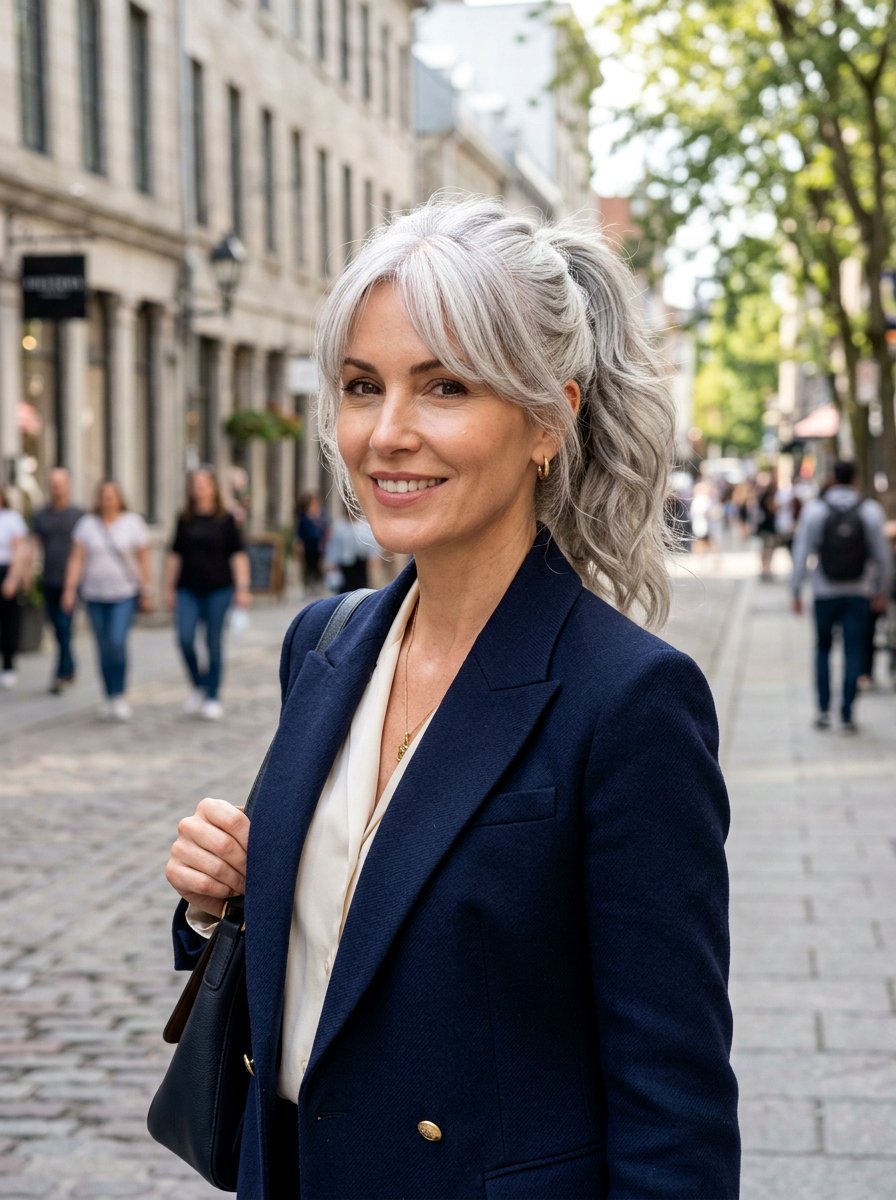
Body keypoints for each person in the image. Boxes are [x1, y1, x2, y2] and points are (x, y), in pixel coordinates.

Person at [164, 196, 740, 1198]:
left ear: (544, 421)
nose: (386, 433)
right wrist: (221, 900)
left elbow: (672, 1106)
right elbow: (335, 962)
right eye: (359, 386)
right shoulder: (324, 644)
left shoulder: (629, 700)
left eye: (443, 387)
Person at [791, 460, 892, 733]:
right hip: (859, 592)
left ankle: (823, 710)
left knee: (823, 649)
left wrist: (796, 589)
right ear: (856, 479)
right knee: (854, 651)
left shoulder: (816, 511)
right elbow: (882, 556)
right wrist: (882, 590)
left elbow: (802, 552)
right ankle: (847, 713)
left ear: (833, 479)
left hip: (824, 591)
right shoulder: (870, 511)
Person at [165, 466, 251, 721]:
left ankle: (212, 696)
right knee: (184, 638)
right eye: (195, 483)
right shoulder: (185, 518)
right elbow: (174, 555)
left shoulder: (225, 519)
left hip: (219, 589)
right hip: (187, 589)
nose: (199, 487)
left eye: (204, 483)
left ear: (213, 487)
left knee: (213, 643)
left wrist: (243, 589)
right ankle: (198, 684)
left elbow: (237, 555)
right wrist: (168, 588)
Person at [62, 480, 152, 721]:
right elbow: (76, 559)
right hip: (94, 595)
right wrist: (70, 589)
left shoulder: (132, 523)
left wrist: (146, 590)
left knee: (116, 642)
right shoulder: (87, 525)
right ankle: (109, 695)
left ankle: (120, 693)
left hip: (124, 593)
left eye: (112, 496)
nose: (108, 500)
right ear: (98, 499)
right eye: (104, 496)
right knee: (103, 648)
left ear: (120, 499)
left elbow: (143, 559)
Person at [31, 468, 84, 693]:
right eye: (52, 483)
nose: (56, 487)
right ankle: (70, 666)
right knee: (58, 628)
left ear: (68, 485)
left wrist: (73, 586)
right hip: (49, 580)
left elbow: (82, 551)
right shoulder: (41, 515)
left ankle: (61, 674)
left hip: (71, 581)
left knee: (64, 627)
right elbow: (33, 544)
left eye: (60, 483)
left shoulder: (79, 515)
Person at [0, 488, 31, 688]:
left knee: (9, 622)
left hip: (6, 571)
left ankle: (9, 664)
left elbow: (19, 550)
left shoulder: (12, 518)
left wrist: (14, 578)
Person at [323, 507, 378, 591]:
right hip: (345, 563)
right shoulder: (339, 526)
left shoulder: (363, 524)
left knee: (361, 586)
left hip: (360, 561)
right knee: (346, 587)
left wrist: (373, 557)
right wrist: (331, 561)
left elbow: (371, 542)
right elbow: (334, 545)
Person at [293, 492, 329, 591]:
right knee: (308, 566)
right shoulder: (303, 516)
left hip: (319, 546)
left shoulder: (322, 514)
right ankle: (308, 585)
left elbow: (325, 529)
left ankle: (318, 584)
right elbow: (300, 532)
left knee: (318, 565)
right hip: (308, 546)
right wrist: (299, 545)